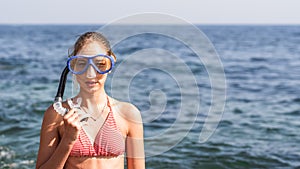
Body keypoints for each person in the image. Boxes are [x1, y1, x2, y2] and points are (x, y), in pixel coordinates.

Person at [36, 32, 145, 169]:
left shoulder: (129, 114)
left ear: (111, 63)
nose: (90, 74)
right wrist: (68, 140)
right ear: (73, 66)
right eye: (82, 64)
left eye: (100, 64)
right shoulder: (56, 114)